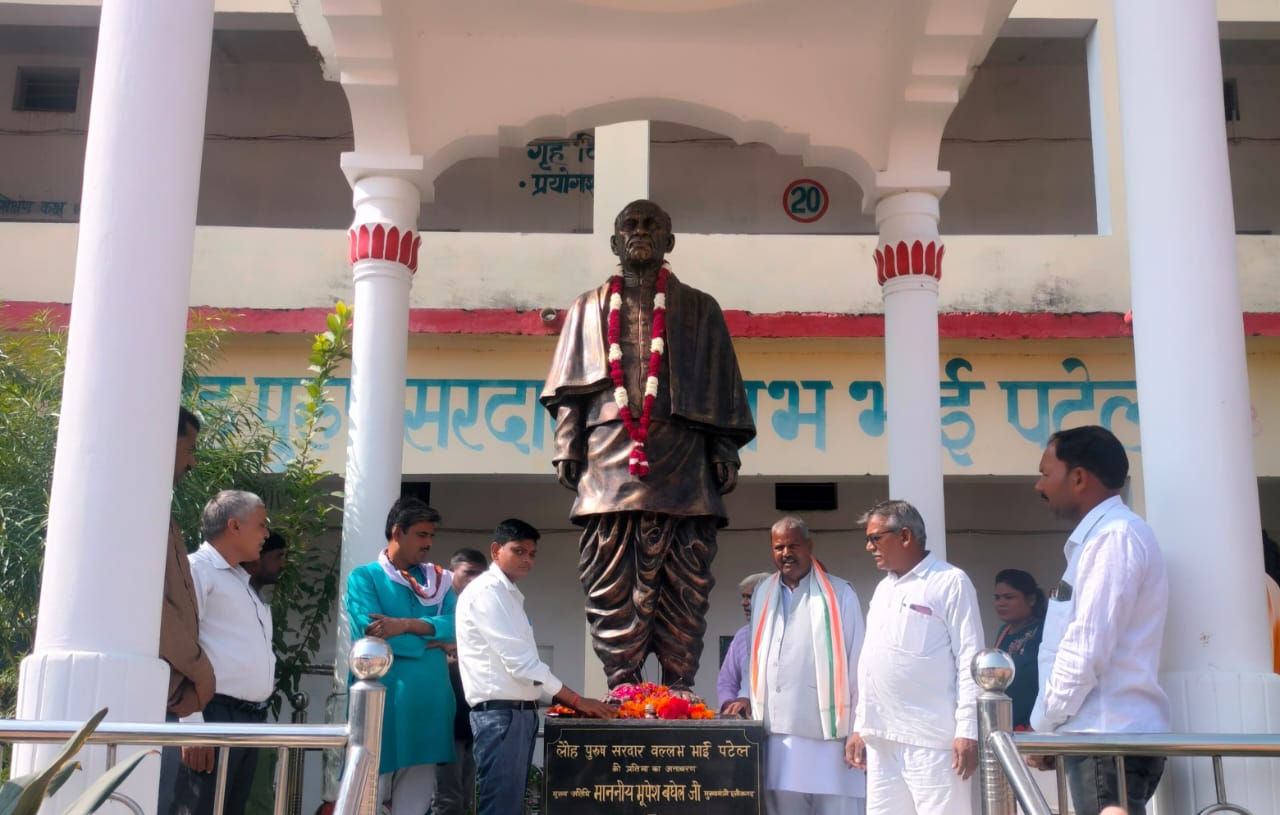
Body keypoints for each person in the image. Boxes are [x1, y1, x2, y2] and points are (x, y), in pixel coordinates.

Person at [540, 199, 756, 689]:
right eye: (630, 226)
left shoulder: (701, 309)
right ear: (615, 242)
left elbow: (720, 383)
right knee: (609, 576)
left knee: (686, 577)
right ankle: (623, 686)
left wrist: (723, 448)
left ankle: (680, 683)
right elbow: (572, 390)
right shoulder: (586, 307)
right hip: (609, 454)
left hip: (682, 453)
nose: (640, 231)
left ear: (669, 241)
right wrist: (567, 444)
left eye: (651, 224)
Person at [1030, 425, 1170, 815]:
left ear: (1078, 478)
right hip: (1100, 737)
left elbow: (1085, 650)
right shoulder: (1104, 538)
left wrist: (1044, 727)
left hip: (1106, 736)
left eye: (1045, 473)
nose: (1038, 486)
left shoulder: (1114, 538)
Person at [456, 519, 615, 815]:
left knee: (511, 806)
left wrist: (571, 703)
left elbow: (527, 673)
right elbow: (522, 665)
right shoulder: (486, 593)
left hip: (520, 714)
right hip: (500, 715)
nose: (527, 560)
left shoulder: (509, 595)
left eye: (532, 553)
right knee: (500, 807)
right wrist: (578, 701)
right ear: (495, 550)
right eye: (519, 551)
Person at [847, 499, 984, 815]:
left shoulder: (950, 582)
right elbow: (872, 664)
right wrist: (861, 726)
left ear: (905, 536)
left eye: (875, 538)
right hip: (882, 738)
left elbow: (970, 658)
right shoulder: (883, 589)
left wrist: (967, 731)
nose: (869, 547)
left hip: (933, 742)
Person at [722, 518, 865, 814]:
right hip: (776, 734)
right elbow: (758, 658)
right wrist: (748, 696)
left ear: (809, 546)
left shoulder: (841, 594)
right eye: (779, 547)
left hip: (831, 736)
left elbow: (858, 663)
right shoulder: (763, 592)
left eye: (793, 545)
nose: (786, 553)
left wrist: (859, 727)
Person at [345, 497, 456, 815]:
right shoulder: (364, 577)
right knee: (368, 796)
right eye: (422, 535)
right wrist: (430, 640)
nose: (428, 543)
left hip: (430, 704)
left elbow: (456, 626)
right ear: (397, 532)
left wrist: (404, 626)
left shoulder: (439, 580)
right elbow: (371, 633)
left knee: (417, 801)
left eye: (431, 536)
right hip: (383, 704)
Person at [170, 491, 274, 815]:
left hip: (246, 718)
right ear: (234, 526)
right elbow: (180, 644)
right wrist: (192, 723)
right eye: (261, 524)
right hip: (213, 713)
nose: (266, 534)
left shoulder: (240, 579)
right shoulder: (197, 570)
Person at [157, 406, 216, 815]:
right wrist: (200, 670)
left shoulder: (160, 512)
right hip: (157, 699)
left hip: (169, 698)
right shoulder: (136, 511)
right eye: (189, 447)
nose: (192, 461)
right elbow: (153, 611)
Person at [428, 548, 488, 815]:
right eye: (469, 574)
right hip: (443, 722)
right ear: (453, 573)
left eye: (480, 575)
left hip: (472, 720)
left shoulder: (485, 613)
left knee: (466, 800)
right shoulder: (439, 611)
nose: (475, 581)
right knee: (446, 800)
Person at [991, 568, 1046, 729]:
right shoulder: (1003, 632)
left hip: (1033, 729)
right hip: (1004, 726)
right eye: (997, 597)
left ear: (1031, 600)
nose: (1001, 603)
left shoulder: (1044, 631)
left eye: (1009, 597)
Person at [717, 571, 771, 710]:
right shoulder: (742, 635)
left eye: (749, 597)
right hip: (747, 720)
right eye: (743, 597)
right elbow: (727, 681)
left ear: (767, 599)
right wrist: (729, 703)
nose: (743, 603)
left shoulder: (786, 633)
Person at [242, 530, 288, 595]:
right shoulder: (235, 594)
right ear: (255, 557)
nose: (282, 565)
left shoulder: (257, 596)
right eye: (278, 557)